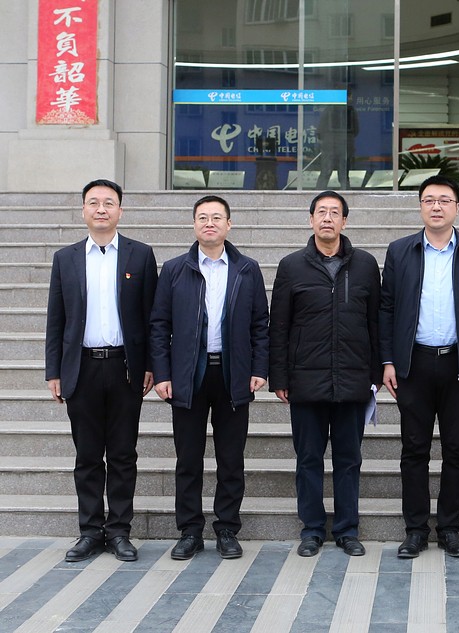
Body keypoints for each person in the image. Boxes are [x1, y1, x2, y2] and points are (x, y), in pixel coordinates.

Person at [150, 195, 269, 561]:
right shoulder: (175, 269)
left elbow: (260, 325)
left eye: (217, 217)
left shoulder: (247, 269)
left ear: (229, 225)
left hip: (233, 374)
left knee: (231, 458)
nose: (209, 223)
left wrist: (259, 368)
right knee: (188, 458)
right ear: (194, 224)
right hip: (189, 376)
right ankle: (189, 531)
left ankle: (227, 528)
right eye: (202, 217)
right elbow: (159, 325)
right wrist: (163, 373)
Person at [45, 179, 157, 563]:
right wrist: (54, 370)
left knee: (123, 454)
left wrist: (151, 366)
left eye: (109, 203)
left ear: (120, 211)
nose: (101, 209)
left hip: (125, 367)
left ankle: (120, 531)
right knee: (88, 456)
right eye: (93, 202)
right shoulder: (66, 258)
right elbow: (56, 320)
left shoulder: (141, 256)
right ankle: (90, 531)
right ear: (83, 210)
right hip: (82, 368)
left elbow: (151, 317)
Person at [380, 175, 459, 559]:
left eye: (444, 200)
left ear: (457, 207)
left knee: (457, 449)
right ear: (420, 207)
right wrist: (388, 360)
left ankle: (449, 529)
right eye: (429, 200)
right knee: (414, 449)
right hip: (414, 364)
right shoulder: (400, 251)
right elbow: (387, 308)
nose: (437, 206)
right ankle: (415, 530)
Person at [269, 191, 381, 558]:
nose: (327, 218)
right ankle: (312, 529)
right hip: (306, 381)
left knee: (349, 460)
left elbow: (375, 322)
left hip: (352, 380)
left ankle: (348, 529)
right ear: (311, 219)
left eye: (335, 212)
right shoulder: (291, 266)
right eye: (321, 212)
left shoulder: (365, 265)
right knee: (308, 459)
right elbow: (279, 326)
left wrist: (376, 372)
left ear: (345, 221)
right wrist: (279, 378)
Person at [316, 96, 359, 189]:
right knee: (343, 176)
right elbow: (356, 130)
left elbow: (319, 131)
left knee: (325, 173)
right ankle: (346, 195)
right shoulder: (351, 110)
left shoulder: (328, 110)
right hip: (345, 146)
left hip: (329, 146)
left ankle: (318, 194)